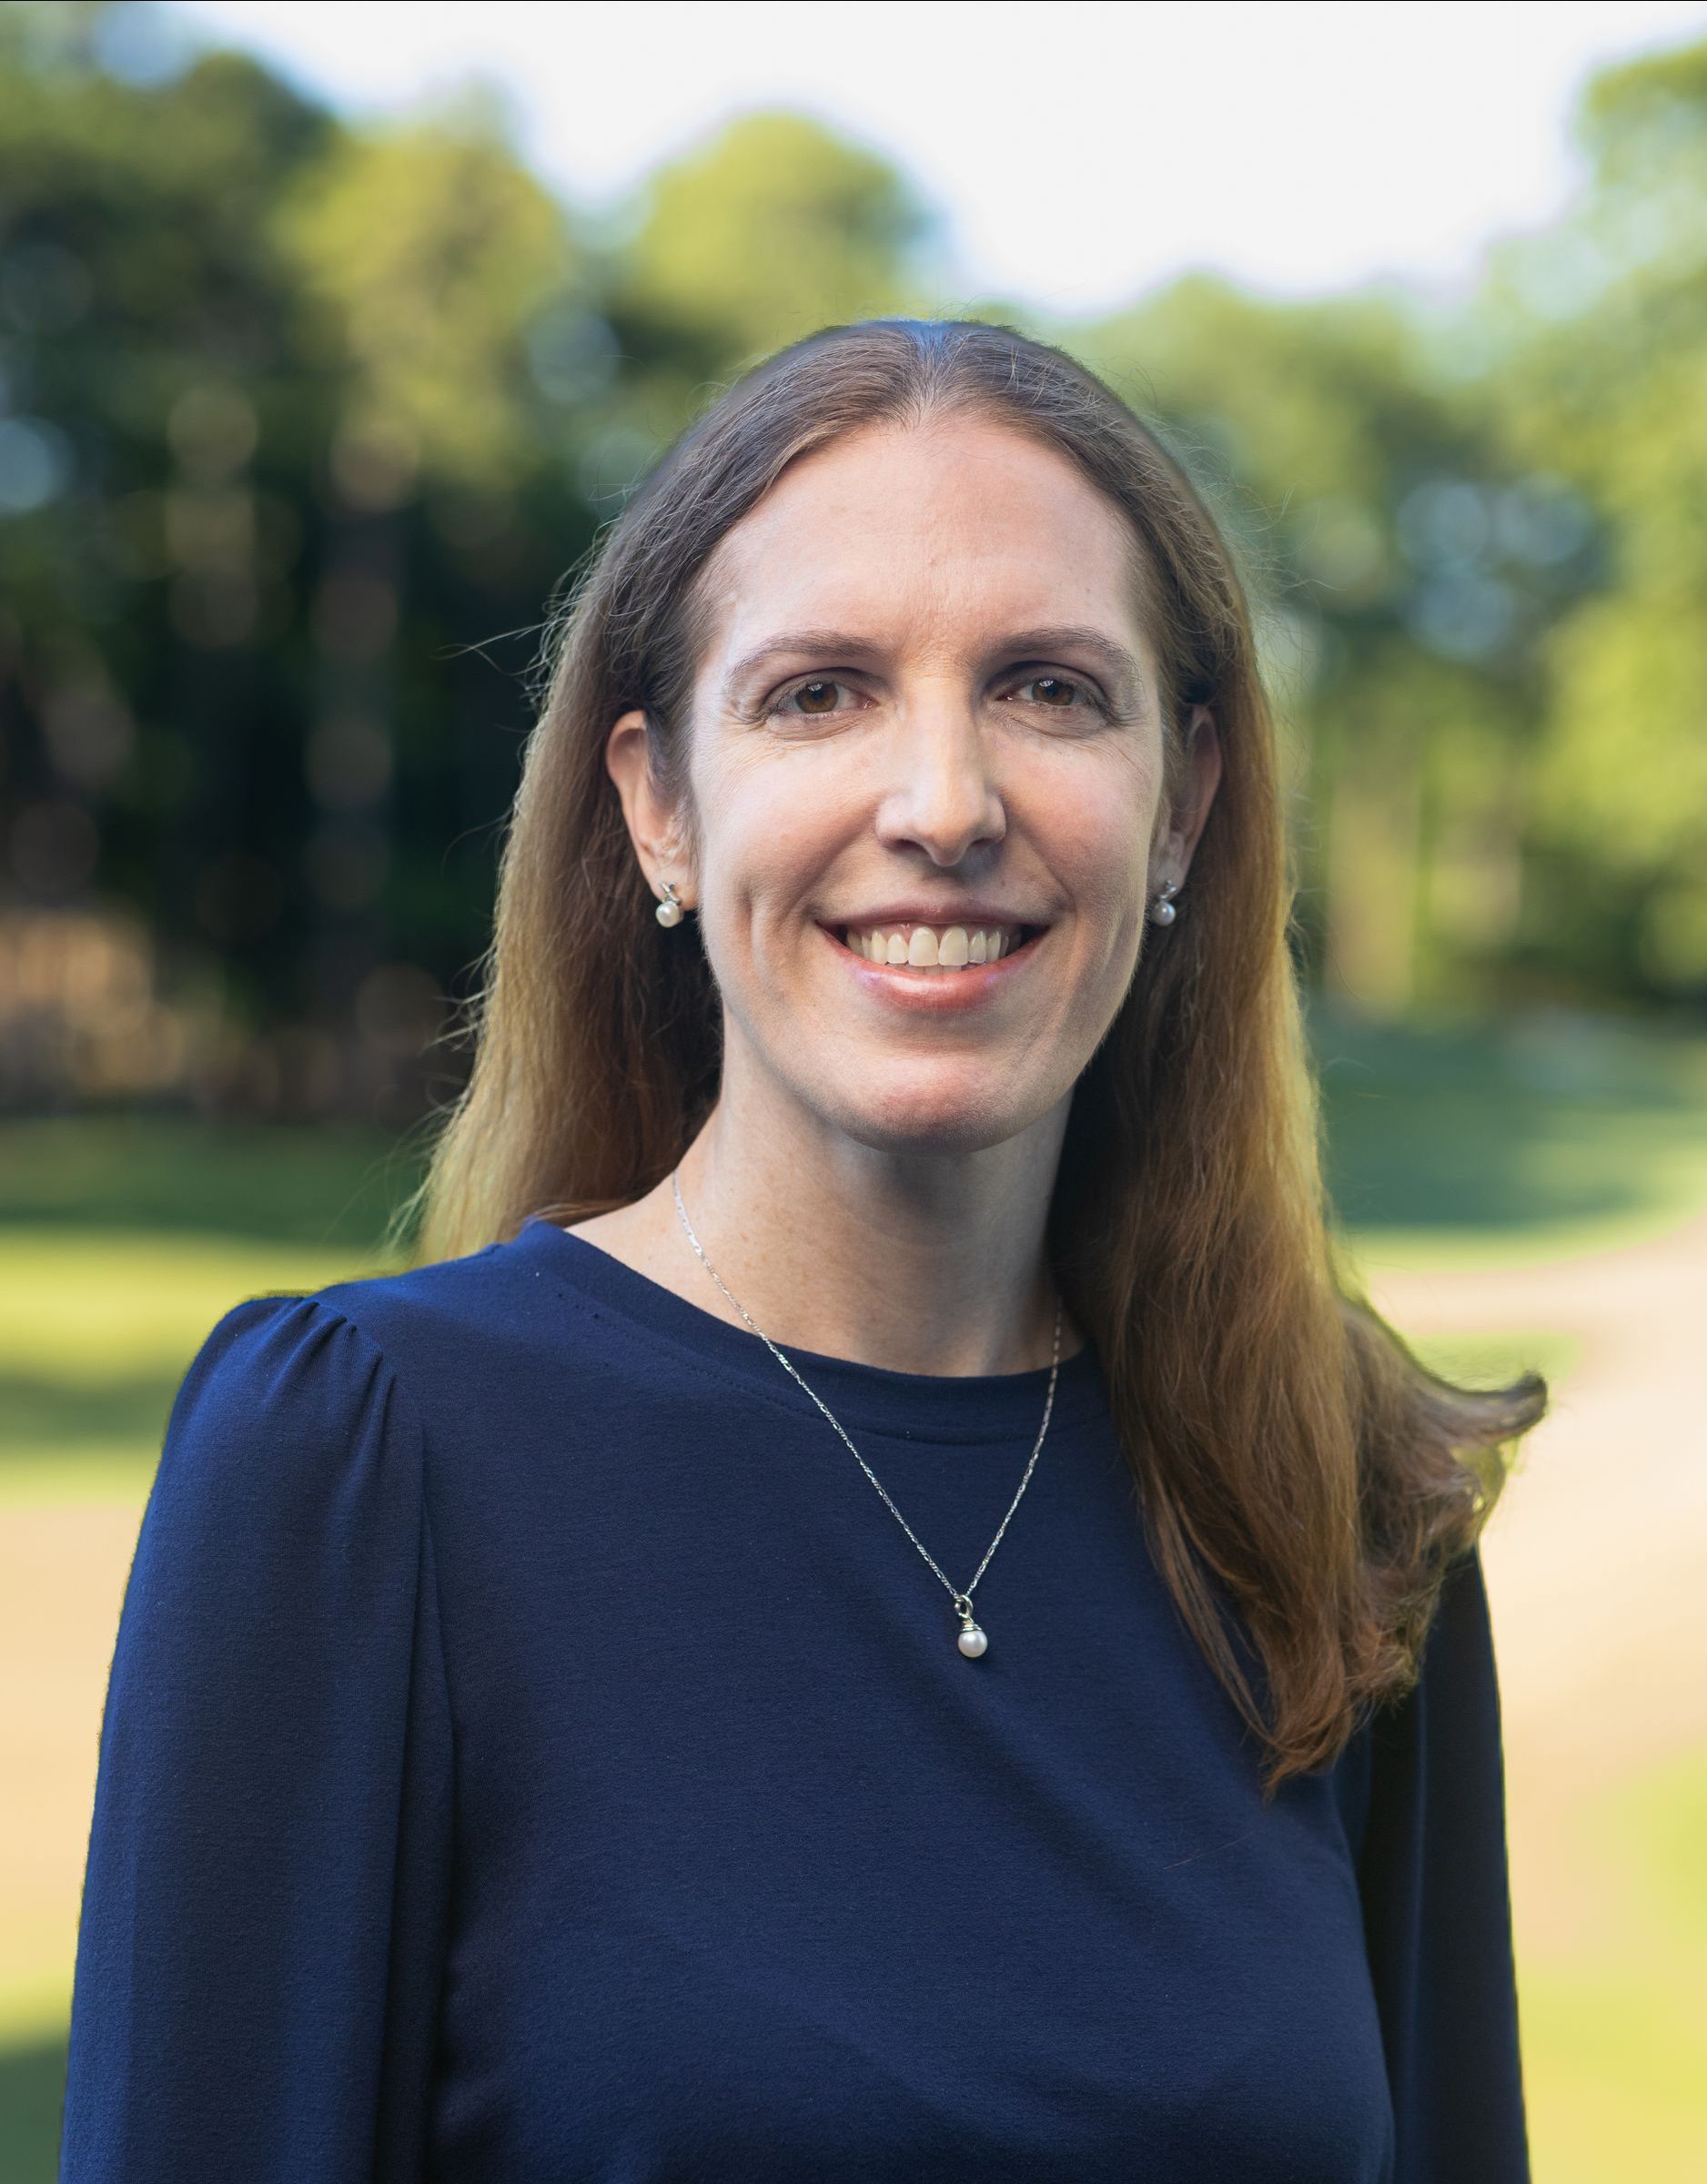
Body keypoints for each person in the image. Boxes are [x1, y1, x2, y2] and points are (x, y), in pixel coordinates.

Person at [59, 318, 1547, 2182]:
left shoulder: (1333, 1486)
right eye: (820, 692)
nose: (942, 803)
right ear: (658, 805)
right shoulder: (368, 1461)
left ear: (1186, 804)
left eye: (1051, 689)